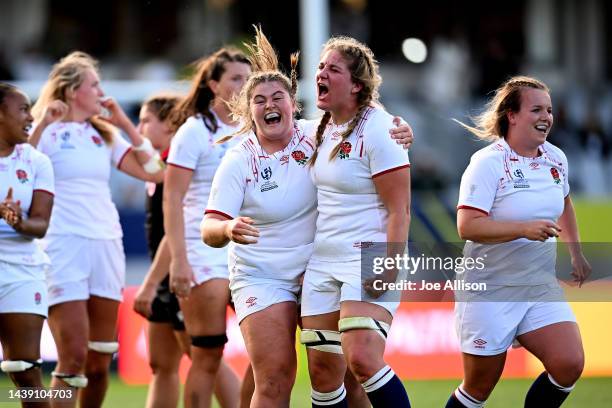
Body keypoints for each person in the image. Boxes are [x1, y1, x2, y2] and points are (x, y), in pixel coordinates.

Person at [29, 51, 164, 408]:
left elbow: (154, 171)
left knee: (100, 361)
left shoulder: (103, 135)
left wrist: (123, 122)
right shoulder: (44, 130)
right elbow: (17, 167)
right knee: (72, 359)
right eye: (94, 85)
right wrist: (42, 124)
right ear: (73, 91)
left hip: (106, 244)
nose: (102, 92)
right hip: (62, 246)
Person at [447, 76, 590, 408]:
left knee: (569, 363)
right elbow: (467, 226)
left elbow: (564, 203)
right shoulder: (487, 163)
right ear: (511, 115)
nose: (546, 117)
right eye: (536, 109)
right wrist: (523, 228)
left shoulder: (556, 159)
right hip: (489, 288)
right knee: (478, 388)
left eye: (550, 110)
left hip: (538, 286)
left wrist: (576, 252)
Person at [300, 36, 412, 407]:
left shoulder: (381, 129)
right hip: (322, 261)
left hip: (367, 257)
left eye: (333, 69)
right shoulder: (319, 128)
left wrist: (390, 264)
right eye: (320, 67)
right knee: (323, 374)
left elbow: (400, 209)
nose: (321, 74)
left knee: (362, 358)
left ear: (357, 85)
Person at [132, 94, 241, 408]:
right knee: (161, 365)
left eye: (146, 120)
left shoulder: (178, 171)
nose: (140, 128)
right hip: (171, 269)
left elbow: (177, 229)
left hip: (179, 271)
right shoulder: (161, 166)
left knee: (205, 357)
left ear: (170, 125)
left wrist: (153, 281)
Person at [163, 48, 251, 408]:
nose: (244, 86)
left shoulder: (256, 128)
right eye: (235, 79)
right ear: (213, 85)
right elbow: (172, 198)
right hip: (204, 250)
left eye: (248, 79)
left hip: (250, 248)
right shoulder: (194, 131)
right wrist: (179, 261)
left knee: (269, 357)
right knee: (207, 357)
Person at [0, 83, 58, 408]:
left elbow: (40, 224)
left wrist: (17, 222)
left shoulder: (37, 161)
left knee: (24, 371)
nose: (30, 117)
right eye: (22, 109)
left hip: (22, 267)